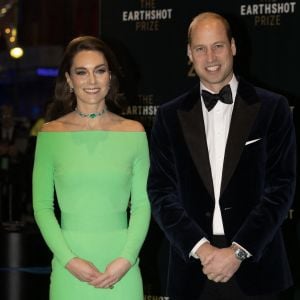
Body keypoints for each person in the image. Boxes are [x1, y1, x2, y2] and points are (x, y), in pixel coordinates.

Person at [147, 12, 296, 300]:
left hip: (257, 265)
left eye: (218, 46)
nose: (210, 57)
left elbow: (281, 188)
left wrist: (238, 251)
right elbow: (161, 192)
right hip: (193, 269)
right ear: (189, 53)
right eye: (200, 49)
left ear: (233, 47)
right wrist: (201, 249)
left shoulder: (273, 108)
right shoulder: (169, 116)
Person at [32, 36, 151, 299]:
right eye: (81, 72)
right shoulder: (50, 135)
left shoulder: (134, 132)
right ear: (69, 80)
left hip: (123, 268)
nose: (92, 81)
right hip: (69, 267)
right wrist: (69, 261)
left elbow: (143, 205)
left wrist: (126, 260)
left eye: (99, 71)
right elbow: (42, 206)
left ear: (110, 76)